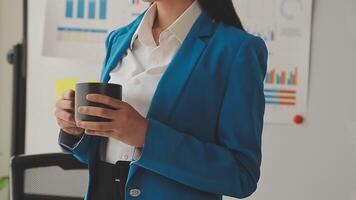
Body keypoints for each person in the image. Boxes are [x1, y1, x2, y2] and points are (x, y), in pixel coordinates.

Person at [55, 0, 268, 199]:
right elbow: (104, 151)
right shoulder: (118, 38)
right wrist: (76, 130)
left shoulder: (236, 49)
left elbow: (241, 175)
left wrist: (146, 136)